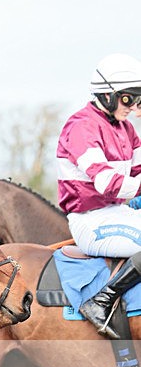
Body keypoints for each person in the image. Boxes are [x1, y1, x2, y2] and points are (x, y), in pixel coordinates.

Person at [56, 53, 141, 339]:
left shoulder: (126, 129)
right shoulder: (80, 126)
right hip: (89, 220)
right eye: (128, 98)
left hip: (120, 212)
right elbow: (108, 183)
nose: (133, 106)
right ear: (107, 95)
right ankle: (101, 300)